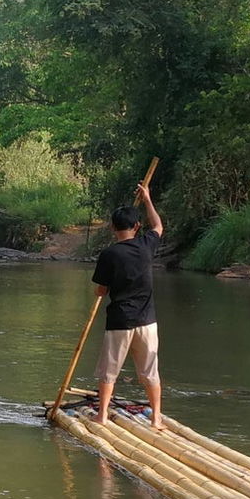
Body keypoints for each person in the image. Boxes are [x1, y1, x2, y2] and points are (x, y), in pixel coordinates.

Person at [91, 182, 165, 429]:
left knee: (108, 372)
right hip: (147, 321)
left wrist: (104, 288)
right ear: (136, 226)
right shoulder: (146, 245)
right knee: (149, 372)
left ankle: (101, 416)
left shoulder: (109, 255)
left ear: (113, 227)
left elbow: (101, 290)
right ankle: (156, 419)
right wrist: (147, 199)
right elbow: (158, 226)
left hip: (120, 321)